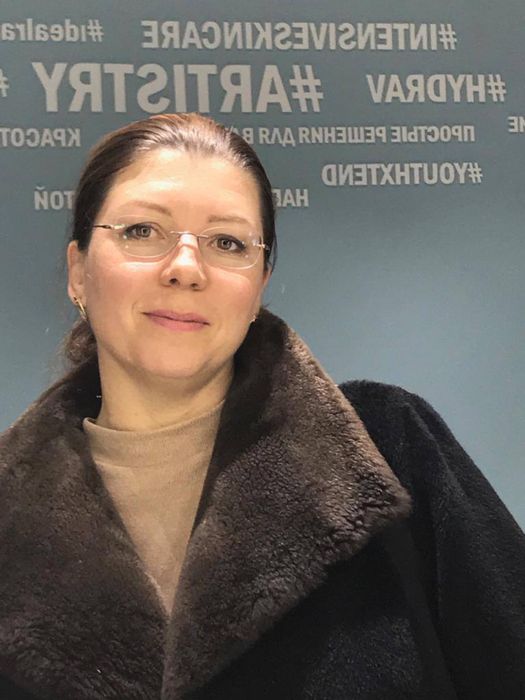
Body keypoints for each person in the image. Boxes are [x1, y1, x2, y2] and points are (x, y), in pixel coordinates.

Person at [0, 113, 524, 700]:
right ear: (79, 270)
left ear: (259, 285)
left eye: (227, 242)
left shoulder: (391, 450)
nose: (185, 268)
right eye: (143, 231)